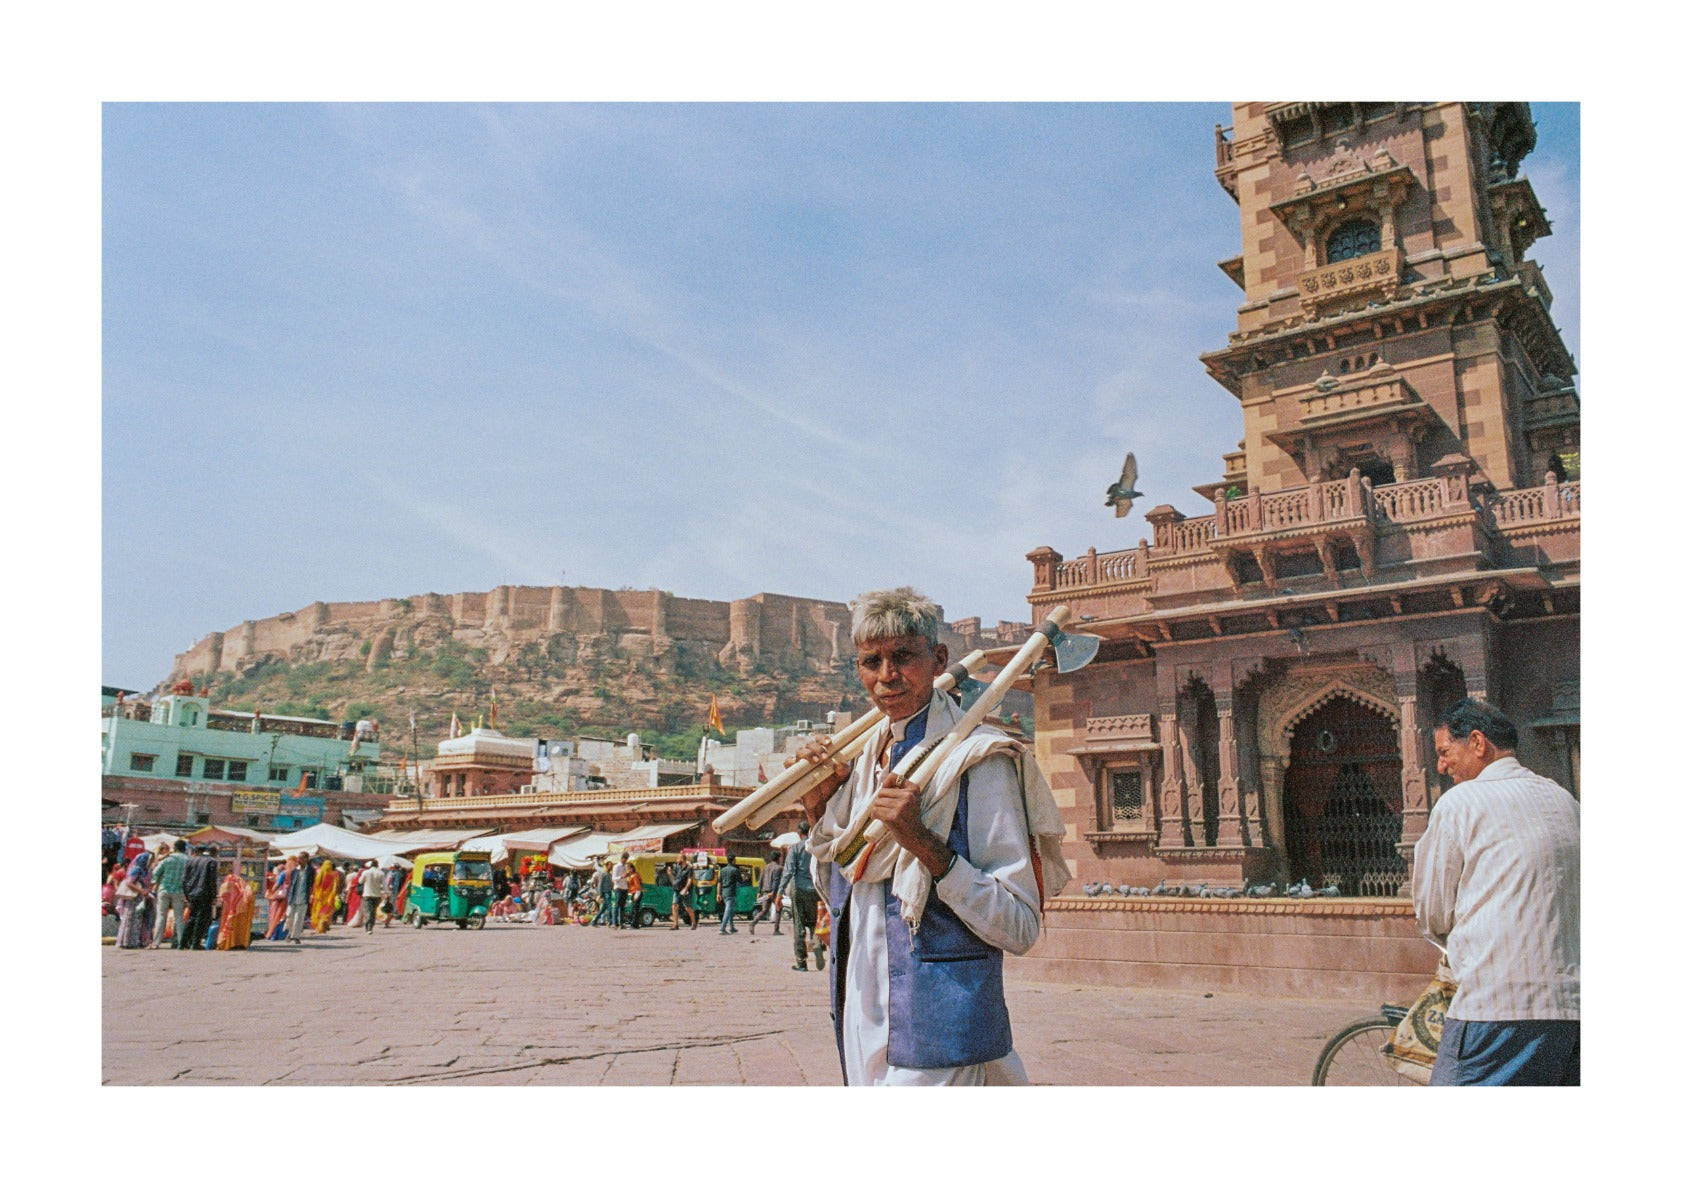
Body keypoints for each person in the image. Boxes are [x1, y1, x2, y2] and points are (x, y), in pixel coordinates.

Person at [792, 586, 1068, 1086]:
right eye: (870, 662)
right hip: (862, 1003)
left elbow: (1020, 924)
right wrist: (819, 811)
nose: (886, 677)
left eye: (902, 657)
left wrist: (921, 842)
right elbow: (846, 888)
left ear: (938, 658)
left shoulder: (978, 760)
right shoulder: (865, 758)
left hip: (940, 1012)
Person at [1413, 698, 1580, 1086]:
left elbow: (1432, 912)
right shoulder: (1563, 800)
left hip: (1497, 1006)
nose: (1441, 766)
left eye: (1444, 752)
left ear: (1477, 742)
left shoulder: (1460, 803)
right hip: (1572, 1010)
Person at [779, 822, 821, 971]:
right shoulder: (816, 847)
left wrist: (779, 893)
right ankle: (817, 945)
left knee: (799, 925)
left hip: (799, 889)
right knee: (814, 923)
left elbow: (789, 871)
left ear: (799, 833)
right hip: (816, 890)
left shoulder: (795, 848)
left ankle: (801, 962)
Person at [178, 845, 222, 952]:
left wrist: (187, 894)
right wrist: (214, 895)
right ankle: (195, 943)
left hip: (192, 893)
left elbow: (184, 880)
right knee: (201, 919)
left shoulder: (191, 861)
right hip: (204, 893)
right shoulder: (211, 862)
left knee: (192, 917)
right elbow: (212, 880)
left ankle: (183, 943)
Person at [151, 840, 190, 949]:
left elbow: (155, 873)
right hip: (179, 891)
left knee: (161, 916)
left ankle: (156, 942)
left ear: (175, 848)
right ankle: (181, 942)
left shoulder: (168, 859)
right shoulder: (188, 860)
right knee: (179, 917)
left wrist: (156, 881)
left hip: (164, 889)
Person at [114, 851, 154, 949]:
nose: (151, 862)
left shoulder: (146, 870)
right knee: (130, 919)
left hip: (142, 898)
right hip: (134, 898)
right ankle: (126, 941)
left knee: (138, 920)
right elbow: (129, 882)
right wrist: (141, 890)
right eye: (150, 860)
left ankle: (136, 941)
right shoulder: (137, 869)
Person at [216, 865, 256, 950]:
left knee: (230, 925)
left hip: (232, 907)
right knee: (241, 927)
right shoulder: (239, 879)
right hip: (245, 905)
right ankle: (240, 943)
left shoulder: (228, 879)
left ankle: (228, 944)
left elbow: (223, 894)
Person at [749, 852, 783, 935]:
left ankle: (754, 922)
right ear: (778, 858)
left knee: (764, 910)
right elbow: (776, 881)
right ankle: (776, 930)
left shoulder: (766, 867)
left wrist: (759, 892)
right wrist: (773, 892)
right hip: (773, 893)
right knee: (779, 909)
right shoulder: (778, 868)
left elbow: (761, 880)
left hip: (765, 891)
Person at [285, 855, 315, 943]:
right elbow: (291, 884)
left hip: (303, 898)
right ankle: (290, 933)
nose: (298, 860)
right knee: (289, 916)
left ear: (306, 859)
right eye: (298, 858)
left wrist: (310, 895)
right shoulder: (294, 871)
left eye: (301, 858)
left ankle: (295, 936)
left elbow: (311, 883)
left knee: (299, 918)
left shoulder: (310, 871)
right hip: (293, 897)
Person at [311, 859, 342, 934]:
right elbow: (336, 887)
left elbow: (316, 885)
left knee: (319, 912)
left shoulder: (320, 874)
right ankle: (324, 927)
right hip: (329, 898)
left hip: (319, 898)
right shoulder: (334, 875)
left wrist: (314, 894)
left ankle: (319, 927)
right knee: (326, 913)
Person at [265, 858, 292, 940]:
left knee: (274, 916)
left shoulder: (284, 873)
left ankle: (272, 934)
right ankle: (281, 935)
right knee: (284, 916)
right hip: (288, 898)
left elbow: (276, 885)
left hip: (278, 898)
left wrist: (273, 892)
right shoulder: (295, 873)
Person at [357, 861, 385, 931]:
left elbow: (360, 881)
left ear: (370, 865)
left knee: (368, 911)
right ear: (377, 866)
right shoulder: (381, 873)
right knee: (373, 911)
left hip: (367, 894)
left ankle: (368, 927)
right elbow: (384, 885)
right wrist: (387, 893)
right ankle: (371, 926)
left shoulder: (366, 872)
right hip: (377, 895)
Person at [717, 856, 740, 934]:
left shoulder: (722, 870)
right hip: (731, 891)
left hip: (724, 892)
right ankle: (722, 928)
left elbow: (719, 882)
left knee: (730, 910)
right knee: (728, 910)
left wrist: (718, 893)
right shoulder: (735, 870)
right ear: (733, 861)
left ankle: (731, 927)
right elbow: (740, 880)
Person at [591, 859, 615, 927]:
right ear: (607, 866)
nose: (611, 867)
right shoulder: (603, 874)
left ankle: (594, 921)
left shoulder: (609, 875)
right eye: (610, 866)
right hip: (605, 892)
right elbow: (600, 884)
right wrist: (600, 894)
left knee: (603, 909)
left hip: (609, 892)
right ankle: (610, 921)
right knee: (609, 906)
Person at [610, 854, 631, 929]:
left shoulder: (626, 867)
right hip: (618, 888)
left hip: (624, 888)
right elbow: (613, 878)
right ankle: (614, 923)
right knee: (616, 906)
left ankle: (621, 923)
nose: (625, 861)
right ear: (622, 858)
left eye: (627, 859)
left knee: (622, 907)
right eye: (625, 859)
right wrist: (621, 877)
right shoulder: (616, 866)